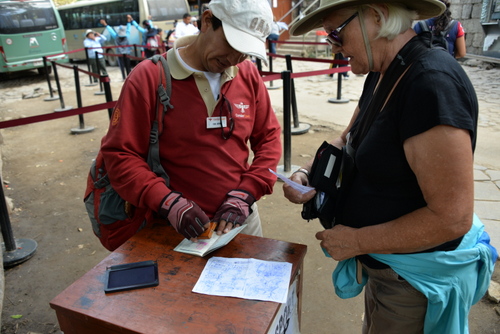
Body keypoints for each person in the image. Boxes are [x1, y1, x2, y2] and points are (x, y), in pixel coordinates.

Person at [283, 0, 497, 333]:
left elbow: (452, 217)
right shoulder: (384, 71)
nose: (333, 46)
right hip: (386, 267)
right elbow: (346, 139)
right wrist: (307, 172)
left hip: (413, 281)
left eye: (336, 32)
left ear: (378, 16)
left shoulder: (430, 84)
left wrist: (357, 242)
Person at [99, 0, 281, 243]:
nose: (235, 58)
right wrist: (168, 203)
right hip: (172, 227)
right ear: (207, 21)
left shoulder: (247, 74)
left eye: (245, 50)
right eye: (232, 43)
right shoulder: (149, 78)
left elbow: (269, 139)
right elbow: (120, 156)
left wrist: (247, 193)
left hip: (240, 220)